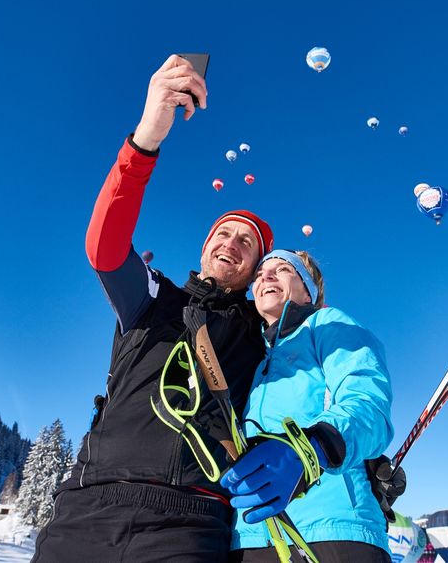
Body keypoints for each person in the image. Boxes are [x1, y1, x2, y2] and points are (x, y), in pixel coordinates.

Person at [31, 55, 274, 563]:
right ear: (205, 246)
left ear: (256, 269)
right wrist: (146, 139)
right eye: (223, 233)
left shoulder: (262, 332)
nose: (231, 242)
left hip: (191, 521)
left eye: (246, 243)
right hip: (89, 507)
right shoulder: (155, 294)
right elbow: (104, 249)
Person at [220, 250, 395, 562]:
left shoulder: (326, 325)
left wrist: (311, 450)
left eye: (283, 269)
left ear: (308, 292)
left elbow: (369, 406)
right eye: (259, 274)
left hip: (333, 529)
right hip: (252, 535)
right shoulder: (254, 357)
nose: (266, 276)